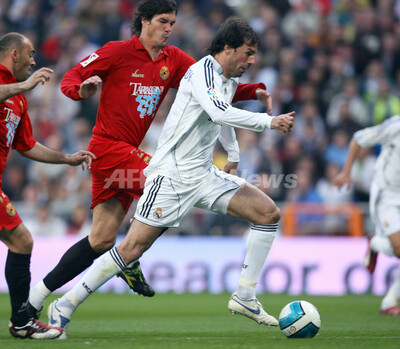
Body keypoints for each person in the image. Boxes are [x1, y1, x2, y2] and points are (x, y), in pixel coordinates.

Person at [46, 16, 295, 338]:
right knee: (132, 249)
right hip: (171, 176)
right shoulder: (201, 71)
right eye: (248, 52)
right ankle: (64, 304)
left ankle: (245, 296)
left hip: (203, 174)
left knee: (268, 213)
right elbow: (219, 112)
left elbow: (221, 116)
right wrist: (268, 122)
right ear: (229, 48)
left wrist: (232, 156)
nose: (252, 60)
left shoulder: (228, 79)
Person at [0, 32, 95, 339]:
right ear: (14, 54)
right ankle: (21, 322)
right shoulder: (14, 87)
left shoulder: (17, 99)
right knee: (22, 241)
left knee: (21, 242)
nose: (33, 61)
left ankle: (21, 322)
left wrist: (65, 158)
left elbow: (26, 145)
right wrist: (23, 85)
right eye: (29, 54)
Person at [333, 115, 400, 315]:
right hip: (386, 195)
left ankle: (389, 301)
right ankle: (375, 243)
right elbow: (358, 138)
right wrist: (346, 172)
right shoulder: (395, 126)